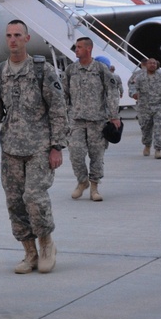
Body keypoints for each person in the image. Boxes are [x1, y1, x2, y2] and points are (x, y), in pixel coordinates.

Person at [0, 20, 68, 274]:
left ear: (27, 38)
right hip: (10, 149)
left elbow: (58, 109)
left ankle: (47, 244)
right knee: (15, 203)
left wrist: (57, 146)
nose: (13, 40)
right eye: (9, 35)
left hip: (39, 146)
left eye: (18, 35)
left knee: (34, 197)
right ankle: (29, 252)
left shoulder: (42, 70)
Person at [62, 37, 121, 202]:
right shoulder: (70, 70)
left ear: (89, 49)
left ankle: (94, 187)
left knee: (96, 156)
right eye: (76, 47)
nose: (76, 50)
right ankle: (82, 181)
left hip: (97, 121)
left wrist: (114, 115)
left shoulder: (101, 69)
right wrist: (63, 115)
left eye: (79, 47)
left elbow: (112, 92)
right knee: (75, 153)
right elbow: (63, 94)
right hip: (76, 120)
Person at [129, 58, 161, 159]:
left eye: (154, 63)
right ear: (146, 65)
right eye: (150, 63)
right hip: (143, 107)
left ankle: (158, 149)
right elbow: (132, 86)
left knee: (159, 128)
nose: (152, 65)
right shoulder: (139, 76)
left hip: (158, 107)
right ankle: (147, 145)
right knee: (145, 128)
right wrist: (134, 94)